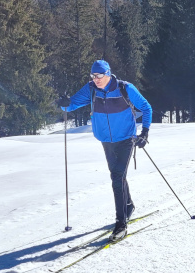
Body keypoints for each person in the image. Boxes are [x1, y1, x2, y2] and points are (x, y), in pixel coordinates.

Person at [57, 60, 152, 241]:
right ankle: (129, 205)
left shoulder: (125, 88)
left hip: (126, 138)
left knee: (116, 177)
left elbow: (146, 107)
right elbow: (70, 105)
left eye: (99, 75)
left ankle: (121, 224)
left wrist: (145, 132)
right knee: (118, 176)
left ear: (108, 74)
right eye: (93, 75)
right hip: (106, 141)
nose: (96, 79)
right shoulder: (91, 89)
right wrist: (63, 103)